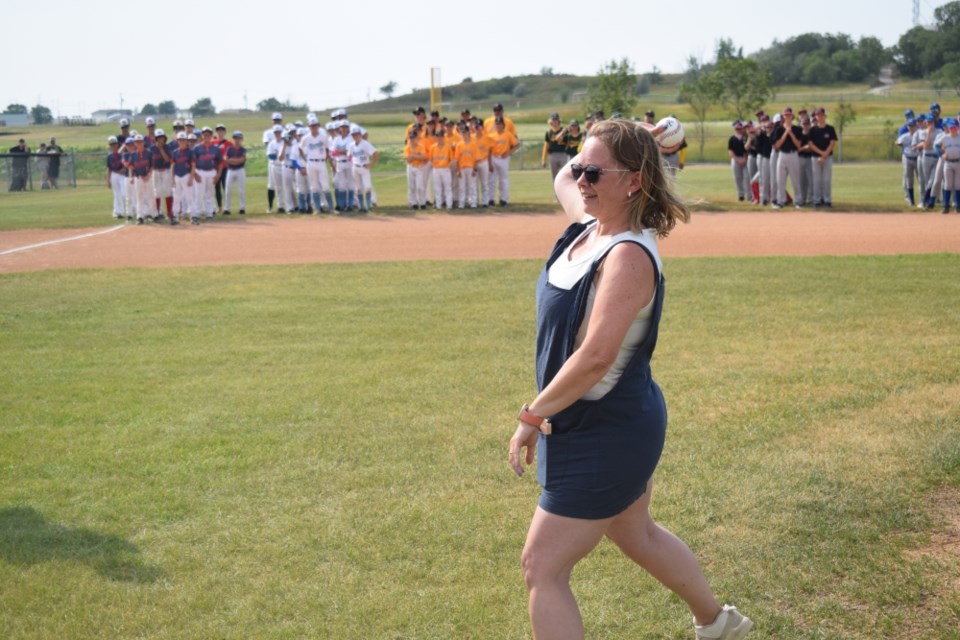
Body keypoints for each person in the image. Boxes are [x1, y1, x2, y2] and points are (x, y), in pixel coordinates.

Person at [508, 118, 752, 640]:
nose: (581, 181)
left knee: (542, 567)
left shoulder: (627, 256)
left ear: (634, 180)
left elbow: (597, 356)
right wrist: (624, 133)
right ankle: (718, 623)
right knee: (635, 531)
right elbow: (561, 181)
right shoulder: (586, 226)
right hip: (583, 419)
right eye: (580, 169)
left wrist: (533, 414)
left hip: (607, 426)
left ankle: (716, 622)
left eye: (594, 172)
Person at [772, 107, 803, 209]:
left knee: (795, 180)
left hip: (793, 154)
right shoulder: (779, 129)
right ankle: (781, 201)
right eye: (785, 115)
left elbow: (798, 145)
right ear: (783, 117)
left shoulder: (797, 129)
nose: (787, 117)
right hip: (782, 154)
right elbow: (777, 145)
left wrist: (790, 133)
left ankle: (798, 201)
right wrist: (786, 133)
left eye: (789, 115)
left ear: (792, 116)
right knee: (780, 180)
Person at [807, 107, 838, 207]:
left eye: (822, 115)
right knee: (816, 180)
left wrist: (825, 155)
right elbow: (811, 144)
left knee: (826, 179)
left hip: (827, 157)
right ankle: (817, 200)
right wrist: (821, 154)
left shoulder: (830, 129)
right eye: (818, 115)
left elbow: (832, 143)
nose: (820, 117)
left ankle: (827, 200)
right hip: (815, 157)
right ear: (815, 117)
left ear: (825, 116)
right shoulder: (812, 130)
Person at [488, 118, 520, 206]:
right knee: (492, 180)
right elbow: (489, 150)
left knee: (503, 180)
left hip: (503, 158)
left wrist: (509, 153)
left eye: (500, 124)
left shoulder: (508, 134)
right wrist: (489, 162)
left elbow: (517, 144)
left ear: (503, 125)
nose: (498, 126)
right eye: (497, 124)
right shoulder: (491, 135)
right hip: (493, 157)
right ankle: (491, 199)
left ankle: (504, 199)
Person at [348, 124, 378, 212]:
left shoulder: (365, 144)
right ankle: (362, 207)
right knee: (358, 188)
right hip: (355, 167)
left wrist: (372, 164)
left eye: (357, 134)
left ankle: (368, 206)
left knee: (368, 187)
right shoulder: (351, 145)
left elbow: (375, 154)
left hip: (364, 167)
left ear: (360, 135)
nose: (355, 136)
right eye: (353, 135)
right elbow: (349, 155)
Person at [936, 118, 960, 214]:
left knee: (958, 185)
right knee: (947, 184)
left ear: (958, 128)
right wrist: (941, 155)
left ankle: (958, 206)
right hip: (948, 163)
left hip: (958, 163)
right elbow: (936, 146)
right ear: (948, 128)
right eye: (951, 127)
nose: (953, 129)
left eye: (955, 127)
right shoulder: (945, 138)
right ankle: (946, 206)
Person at [403, 127, 429, 210]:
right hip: (411, 167)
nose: (411, 139)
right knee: (411, 186)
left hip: (419, 167)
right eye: (410, 138)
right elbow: (408, 159)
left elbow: (423, 157)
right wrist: (417, 156)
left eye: (413, 138)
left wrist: (413, 155)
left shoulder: (420, 146)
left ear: (416, 138)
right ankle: (413, 203)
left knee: (420, 186)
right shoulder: (407, 147)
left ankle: (422, 203)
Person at [897, 118, 920, 206]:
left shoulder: (919, 135)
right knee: (909, 180)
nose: (911, 128)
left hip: (917, 158)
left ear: (916, 126)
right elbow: (898, 142)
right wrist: (902, 146)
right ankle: (911, 201)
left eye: (913, 126)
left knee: (921, 180)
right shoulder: (905, 136)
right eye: (910, 126)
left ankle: (923, 200)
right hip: (908, 158)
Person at [224, 131, 247, 215]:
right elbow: (226, 159)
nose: (237, 140)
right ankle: (227, 208)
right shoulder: (229, 149)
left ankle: (242, 208)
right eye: (235, 138)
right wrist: (234, 161)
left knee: (241, 190)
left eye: (238, 138)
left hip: (240, 170)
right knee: (228, 190)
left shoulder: (243, 149)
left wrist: (232, 160)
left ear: (241, 139)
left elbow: (242, 160)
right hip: (230, 170)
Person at [105, 136, 128, 220]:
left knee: (124, 193)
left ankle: (127, 210)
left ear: (117, 144)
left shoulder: (121, 155)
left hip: (122, 175)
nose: (113, 146)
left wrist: (123, 170)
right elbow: (108, 169)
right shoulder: (109, 156)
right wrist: (108, 180)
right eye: (111, 144)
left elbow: (126, 166)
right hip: (114, 175)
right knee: (116, 194)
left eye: (114, 144)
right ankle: (118, 212)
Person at [727, 121, 749, 201]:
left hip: (745, 159)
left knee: (747, 177)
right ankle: (741, 194)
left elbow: (746, 150)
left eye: (740, 128)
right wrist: (737, 159)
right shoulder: (732, 138)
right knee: (737, 178)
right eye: (737, 128)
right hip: (736, 160)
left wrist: (744, 159)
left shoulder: (745, 137)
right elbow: (730, 150)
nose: (739, 129)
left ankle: (749, 194)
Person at [542, 113, 568, 180]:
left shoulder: (564, 130)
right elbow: (546, 146)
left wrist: (562, 133)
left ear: (559, 120)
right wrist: (543, 159)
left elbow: (565, 141)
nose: (555, 121)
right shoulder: (548, 132)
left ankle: (563, 190)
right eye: (553, 120)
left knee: (564, 174)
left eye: (556, 119)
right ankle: (556, 190)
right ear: (550, 121)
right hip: (552, 155)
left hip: (563, 155)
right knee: (554, 176)